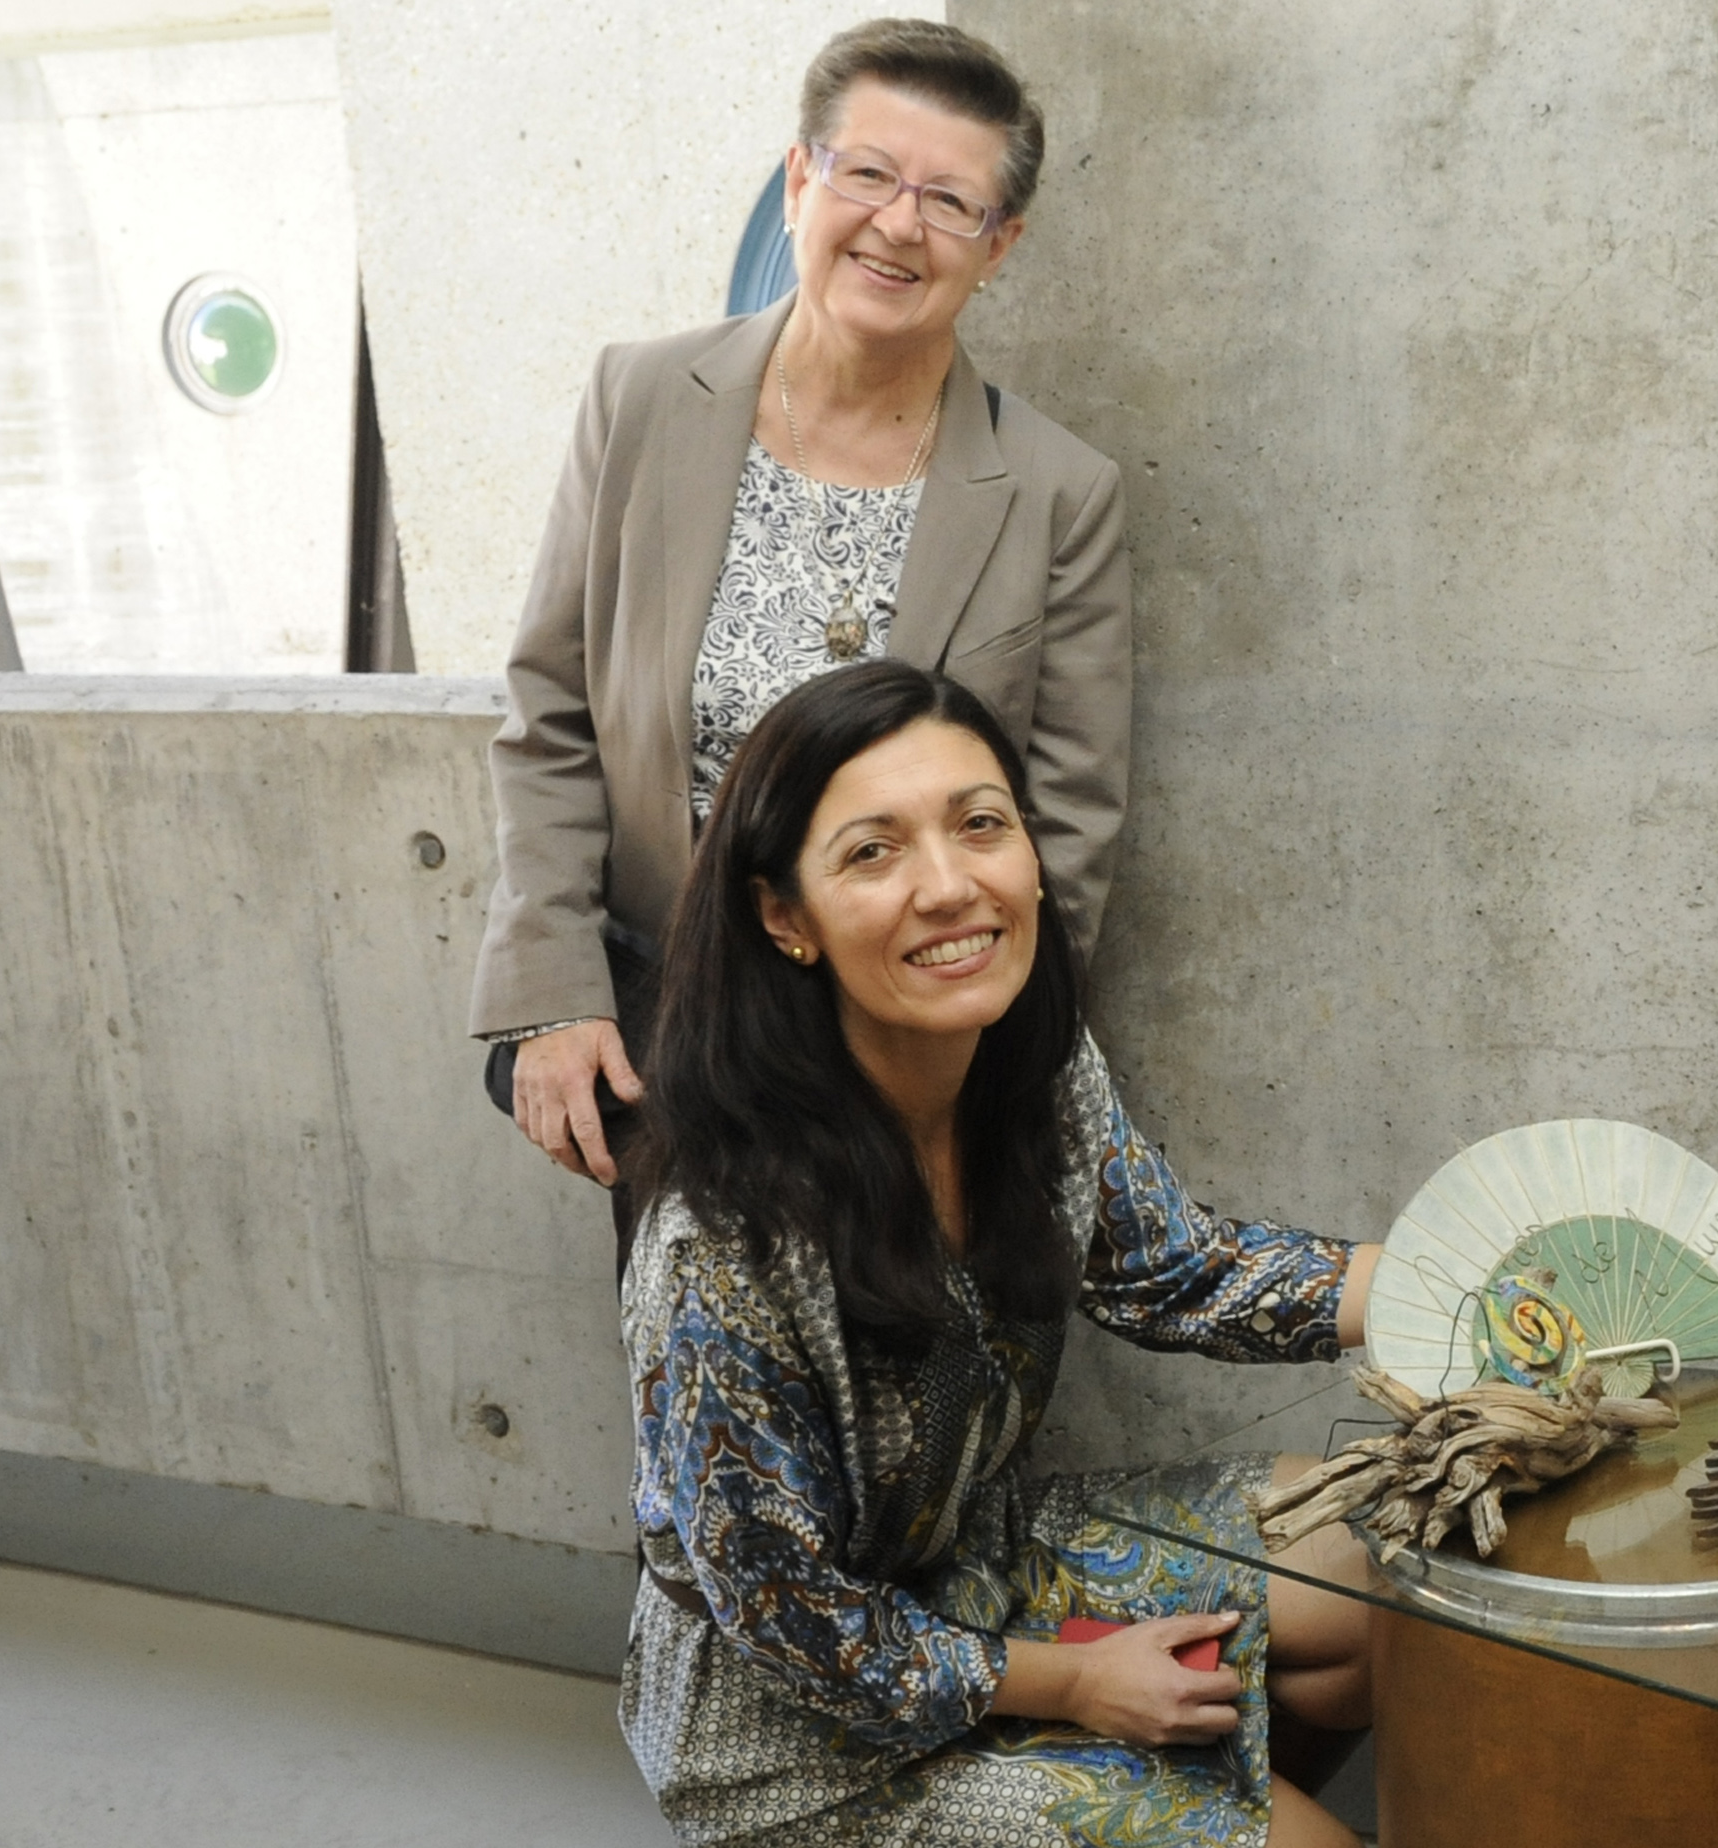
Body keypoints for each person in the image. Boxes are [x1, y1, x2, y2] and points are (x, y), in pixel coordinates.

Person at [618, 660, 1383, 1847]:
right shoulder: (719, 1245)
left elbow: (1181, 1273)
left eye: (980, 825)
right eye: (873, 852)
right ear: (785, 917)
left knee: (1390, 1568)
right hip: (796, 1734)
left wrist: (1448, 1285)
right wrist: (1080, 1684)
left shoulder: (1034, 1068)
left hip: (980, 1566)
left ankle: (1208, 1795)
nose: (949, 886)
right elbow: (804, 1631)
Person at [469, 20, 1132, 1252]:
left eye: (950, 201)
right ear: (799, 181)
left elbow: (1069, 820)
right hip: (671, 1034)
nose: (898, 224)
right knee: (708, 1359)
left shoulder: (1058, 492)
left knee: (910, 1354)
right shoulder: (639, 399)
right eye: (867, 174)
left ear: (999, 245)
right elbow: (550, 714)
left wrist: (977, 1061)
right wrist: (552, 994)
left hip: (911, 1043)